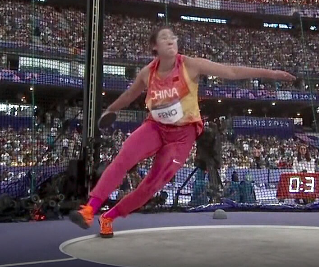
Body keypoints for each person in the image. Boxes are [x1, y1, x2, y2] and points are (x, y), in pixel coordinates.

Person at [69, 26, 295, 237]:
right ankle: (89, 210)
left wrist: (272, 73)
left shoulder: (190, 65)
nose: (171, 40)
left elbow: (231, 71)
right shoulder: (147, 73)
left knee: (151, 185)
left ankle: (109, 217)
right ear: (154, 47)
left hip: (182, 136)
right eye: (164, 37)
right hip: (155, 127)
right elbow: (129, 96)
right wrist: (110, 110)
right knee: (122, 159)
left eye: (173, 37)